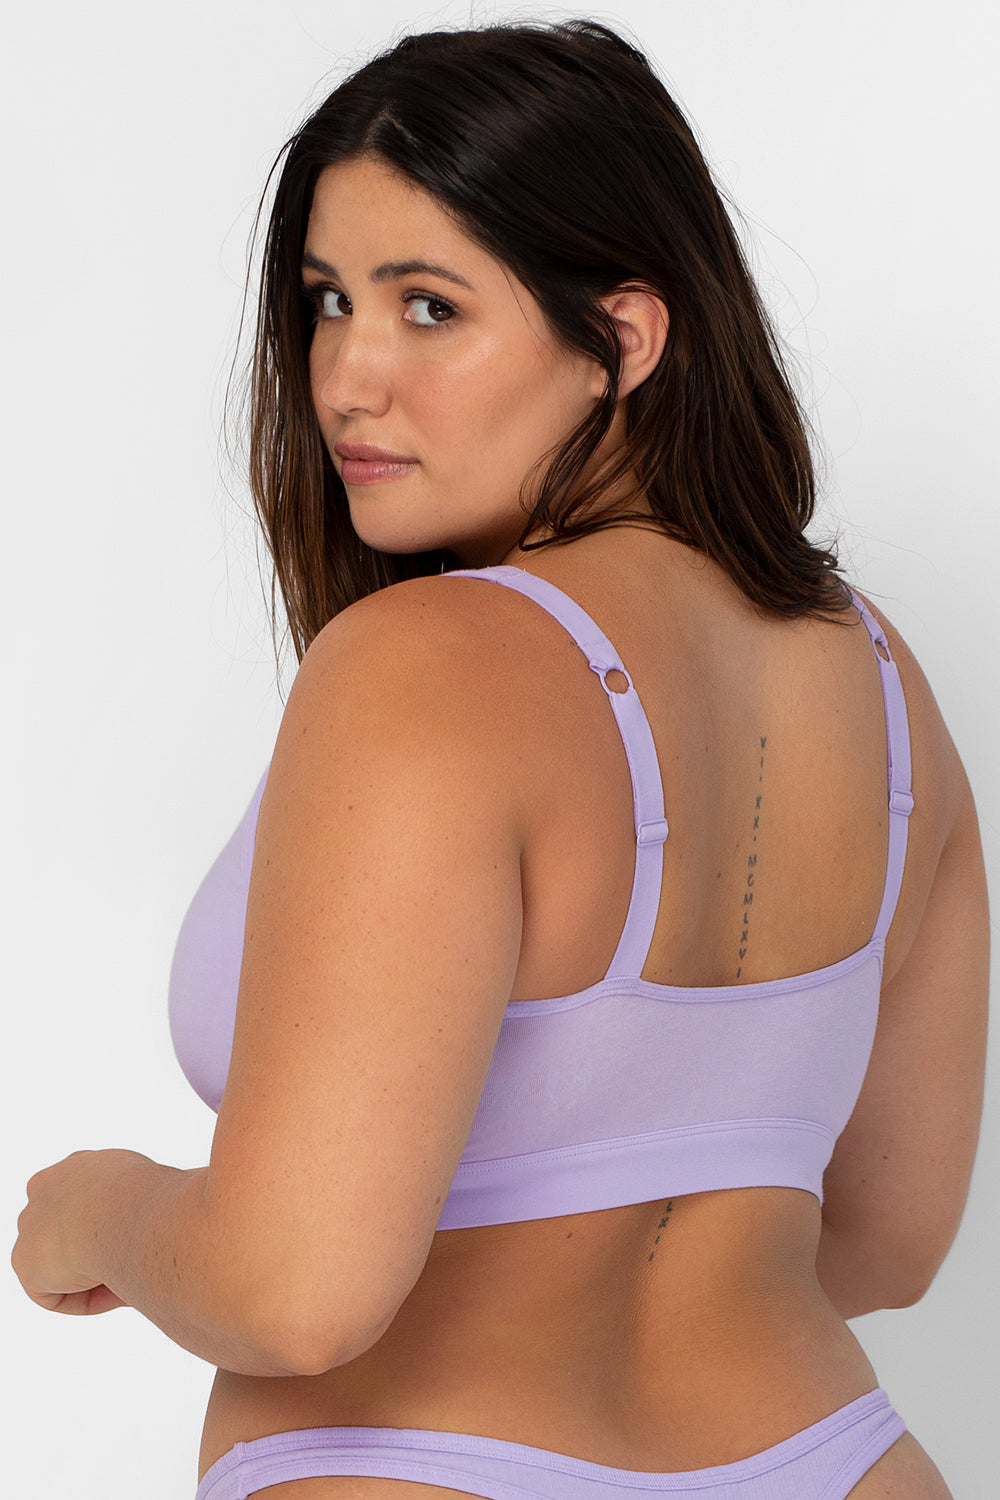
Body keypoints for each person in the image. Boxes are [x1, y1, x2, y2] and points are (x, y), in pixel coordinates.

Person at [12, 18, 988, 1500]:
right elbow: (886, 1241)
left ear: (623, 340)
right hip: (834, 1459)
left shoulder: (427, 662)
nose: (347, 377)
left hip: (425, 1459)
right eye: (328, 302)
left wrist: (112, 1213)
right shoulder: (887, 685)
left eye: (428, 308)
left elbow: (295, 1291)